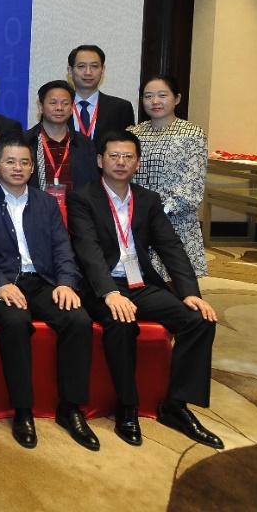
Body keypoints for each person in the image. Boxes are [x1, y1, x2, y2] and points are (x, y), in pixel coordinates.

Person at [68, 129, 223, 450]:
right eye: (114, 156)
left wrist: (189, 292)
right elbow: (88, 250)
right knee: (121, 322)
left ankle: (176, 406)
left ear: (137, 163)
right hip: (101, 286)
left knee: (198, 320)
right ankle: (127, 407)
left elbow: (170, 246)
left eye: (128, 157)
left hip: (139, 283)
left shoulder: (148, 200)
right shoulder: (82, 198)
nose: (121, 162)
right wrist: (109, 293)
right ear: (100, 161)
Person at [0, 136, 98, 450]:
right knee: (15, 323)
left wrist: (66, 283)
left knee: (78, 320)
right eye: (10, 162)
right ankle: (23, 410)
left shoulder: (46, 203)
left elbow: (62, 248)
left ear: (32, 168)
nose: (17, 168)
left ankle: (71, 408)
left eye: (24, 162)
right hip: (3, 284)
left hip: (42, 281)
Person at [129, 75, 208, 278]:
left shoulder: (192, 134)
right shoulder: (133, 133)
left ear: (177, 98)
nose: (155, 101)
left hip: (175, 221)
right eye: (148, 96)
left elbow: (193, 184)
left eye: (162, 95)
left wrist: (159, 211)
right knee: (137, 282)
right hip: (135, 220)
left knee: (176, 284)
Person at [23, 80, 98, 220]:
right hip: (34, 217)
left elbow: (93, 186)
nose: (59, 108)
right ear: (40, 106)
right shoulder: (25, 142)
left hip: (77, 219)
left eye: (65, 103)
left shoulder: (85, 144)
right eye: (53, 103)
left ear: (71, 108)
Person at [67, 45, 136, 148]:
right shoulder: (58, 107)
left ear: (102, 70)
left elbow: (128, 147)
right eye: (81, 66)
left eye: (94, 66)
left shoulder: (121, 108)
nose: (88, 72)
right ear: (70, 70)